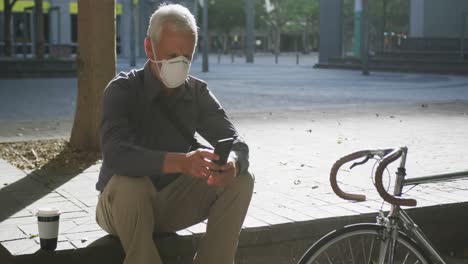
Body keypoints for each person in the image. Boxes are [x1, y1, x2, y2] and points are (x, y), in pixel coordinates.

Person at [95, 4, 254, 264]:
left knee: (242, 179)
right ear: (149, 48)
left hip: (171, 204)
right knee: (132, 185)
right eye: (171, 55)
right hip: (120, 206)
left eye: (187, 57)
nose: (180, 63)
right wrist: (181, 161)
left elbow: (236, 142)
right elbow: (116, 155)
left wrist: (233, 163)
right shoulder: (122, 90)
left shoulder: (197, 93)